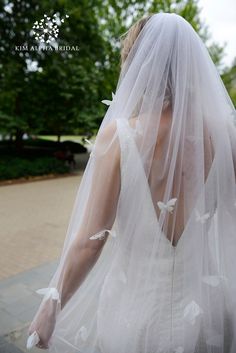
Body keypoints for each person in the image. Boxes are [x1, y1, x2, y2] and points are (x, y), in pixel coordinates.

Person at [27, 13, 236, 353]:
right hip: (209, 316)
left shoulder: (121, 136)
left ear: (140, 64)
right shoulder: (225, 134)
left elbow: (90, 241)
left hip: (137, 319)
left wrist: (50, 305)